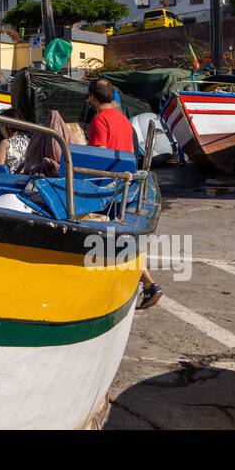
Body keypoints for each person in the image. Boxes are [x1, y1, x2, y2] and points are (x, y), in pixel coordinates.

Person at [87, 78, 162, 308]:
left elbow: (98, 156)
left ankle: (148, 284)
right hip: (125, 187)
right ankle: (149, 284)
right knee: (118, 239)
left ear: (92, 97)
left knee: (110, 240)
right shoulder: (123, 120)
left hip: (107, 186)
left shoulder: (99, 120)